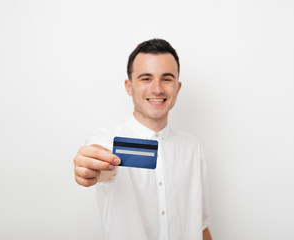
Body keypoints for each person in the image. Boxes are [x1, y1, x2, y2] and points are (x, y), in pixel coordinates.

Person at [73, 39, 212, 240]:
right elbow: (100, 160)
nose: (157, 89)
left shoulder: (192, 148)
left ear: (178, 87)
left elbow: (200, 226)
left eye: (166, 79)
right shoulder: (108, 140)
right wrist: (90, 167)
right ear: (129, 87)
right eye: (146, 78)